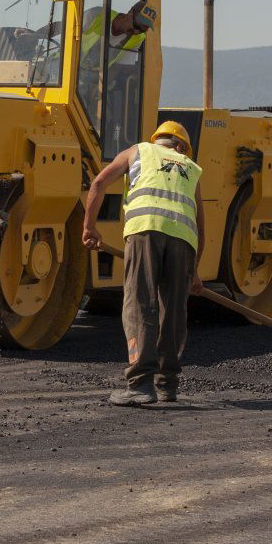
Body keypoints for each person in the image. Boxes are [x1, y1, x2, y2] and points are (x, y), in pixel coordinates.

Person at [83, 121, 203, 405]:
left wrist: (89, 226)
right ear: (181, 146)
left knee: (140, 304)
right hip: (184, 240)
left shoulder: (138, 151)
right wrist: (194, 270)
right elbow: (201, 223)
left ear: (158, 139)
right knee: (173, 311)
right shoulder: (192, 167)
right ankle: (167, 385)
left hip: (145, 230)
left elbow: (99, 183)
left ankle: (139, 384)